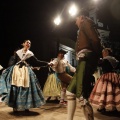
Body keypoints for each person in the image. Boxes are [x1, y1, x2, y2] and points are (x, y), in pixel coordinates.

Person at [66, 10, 102, 120]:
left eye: (76, 19)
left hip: (86, 58)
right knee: (70, 92)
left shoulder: (86, 22)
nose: (75, 22)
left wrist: (94, 56)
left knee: (81, 96)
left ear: (81, 17)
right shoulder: (83, 26)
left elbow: (95, 41)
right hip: (83, 59)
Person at [0, 40, 47, 112]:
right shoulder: (18, 52)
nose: (28, 44)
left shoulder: (30, 53)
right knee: (16, 88)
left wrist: (47, 63)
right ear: (23, 44)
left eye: (30, 43)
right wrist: (8, 70)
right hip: (17, 71)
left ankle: (26, 106)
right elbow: (13, 62)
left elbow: (37, 62)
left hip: (26, 72)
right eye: (27, 42)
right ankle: (14, 106)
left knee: (27, 89)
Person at [89, 48, 120, 113]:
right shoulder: (114, 60)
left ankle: (103, 106)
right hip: (114, 76)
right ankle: (114, 106)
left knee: (105, 91)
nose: (102, 54)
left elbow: (99, 64)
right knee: (113, 91)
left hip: (106, 76)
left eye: (103, 53)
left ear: (106, 53)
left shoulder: (105, 59)